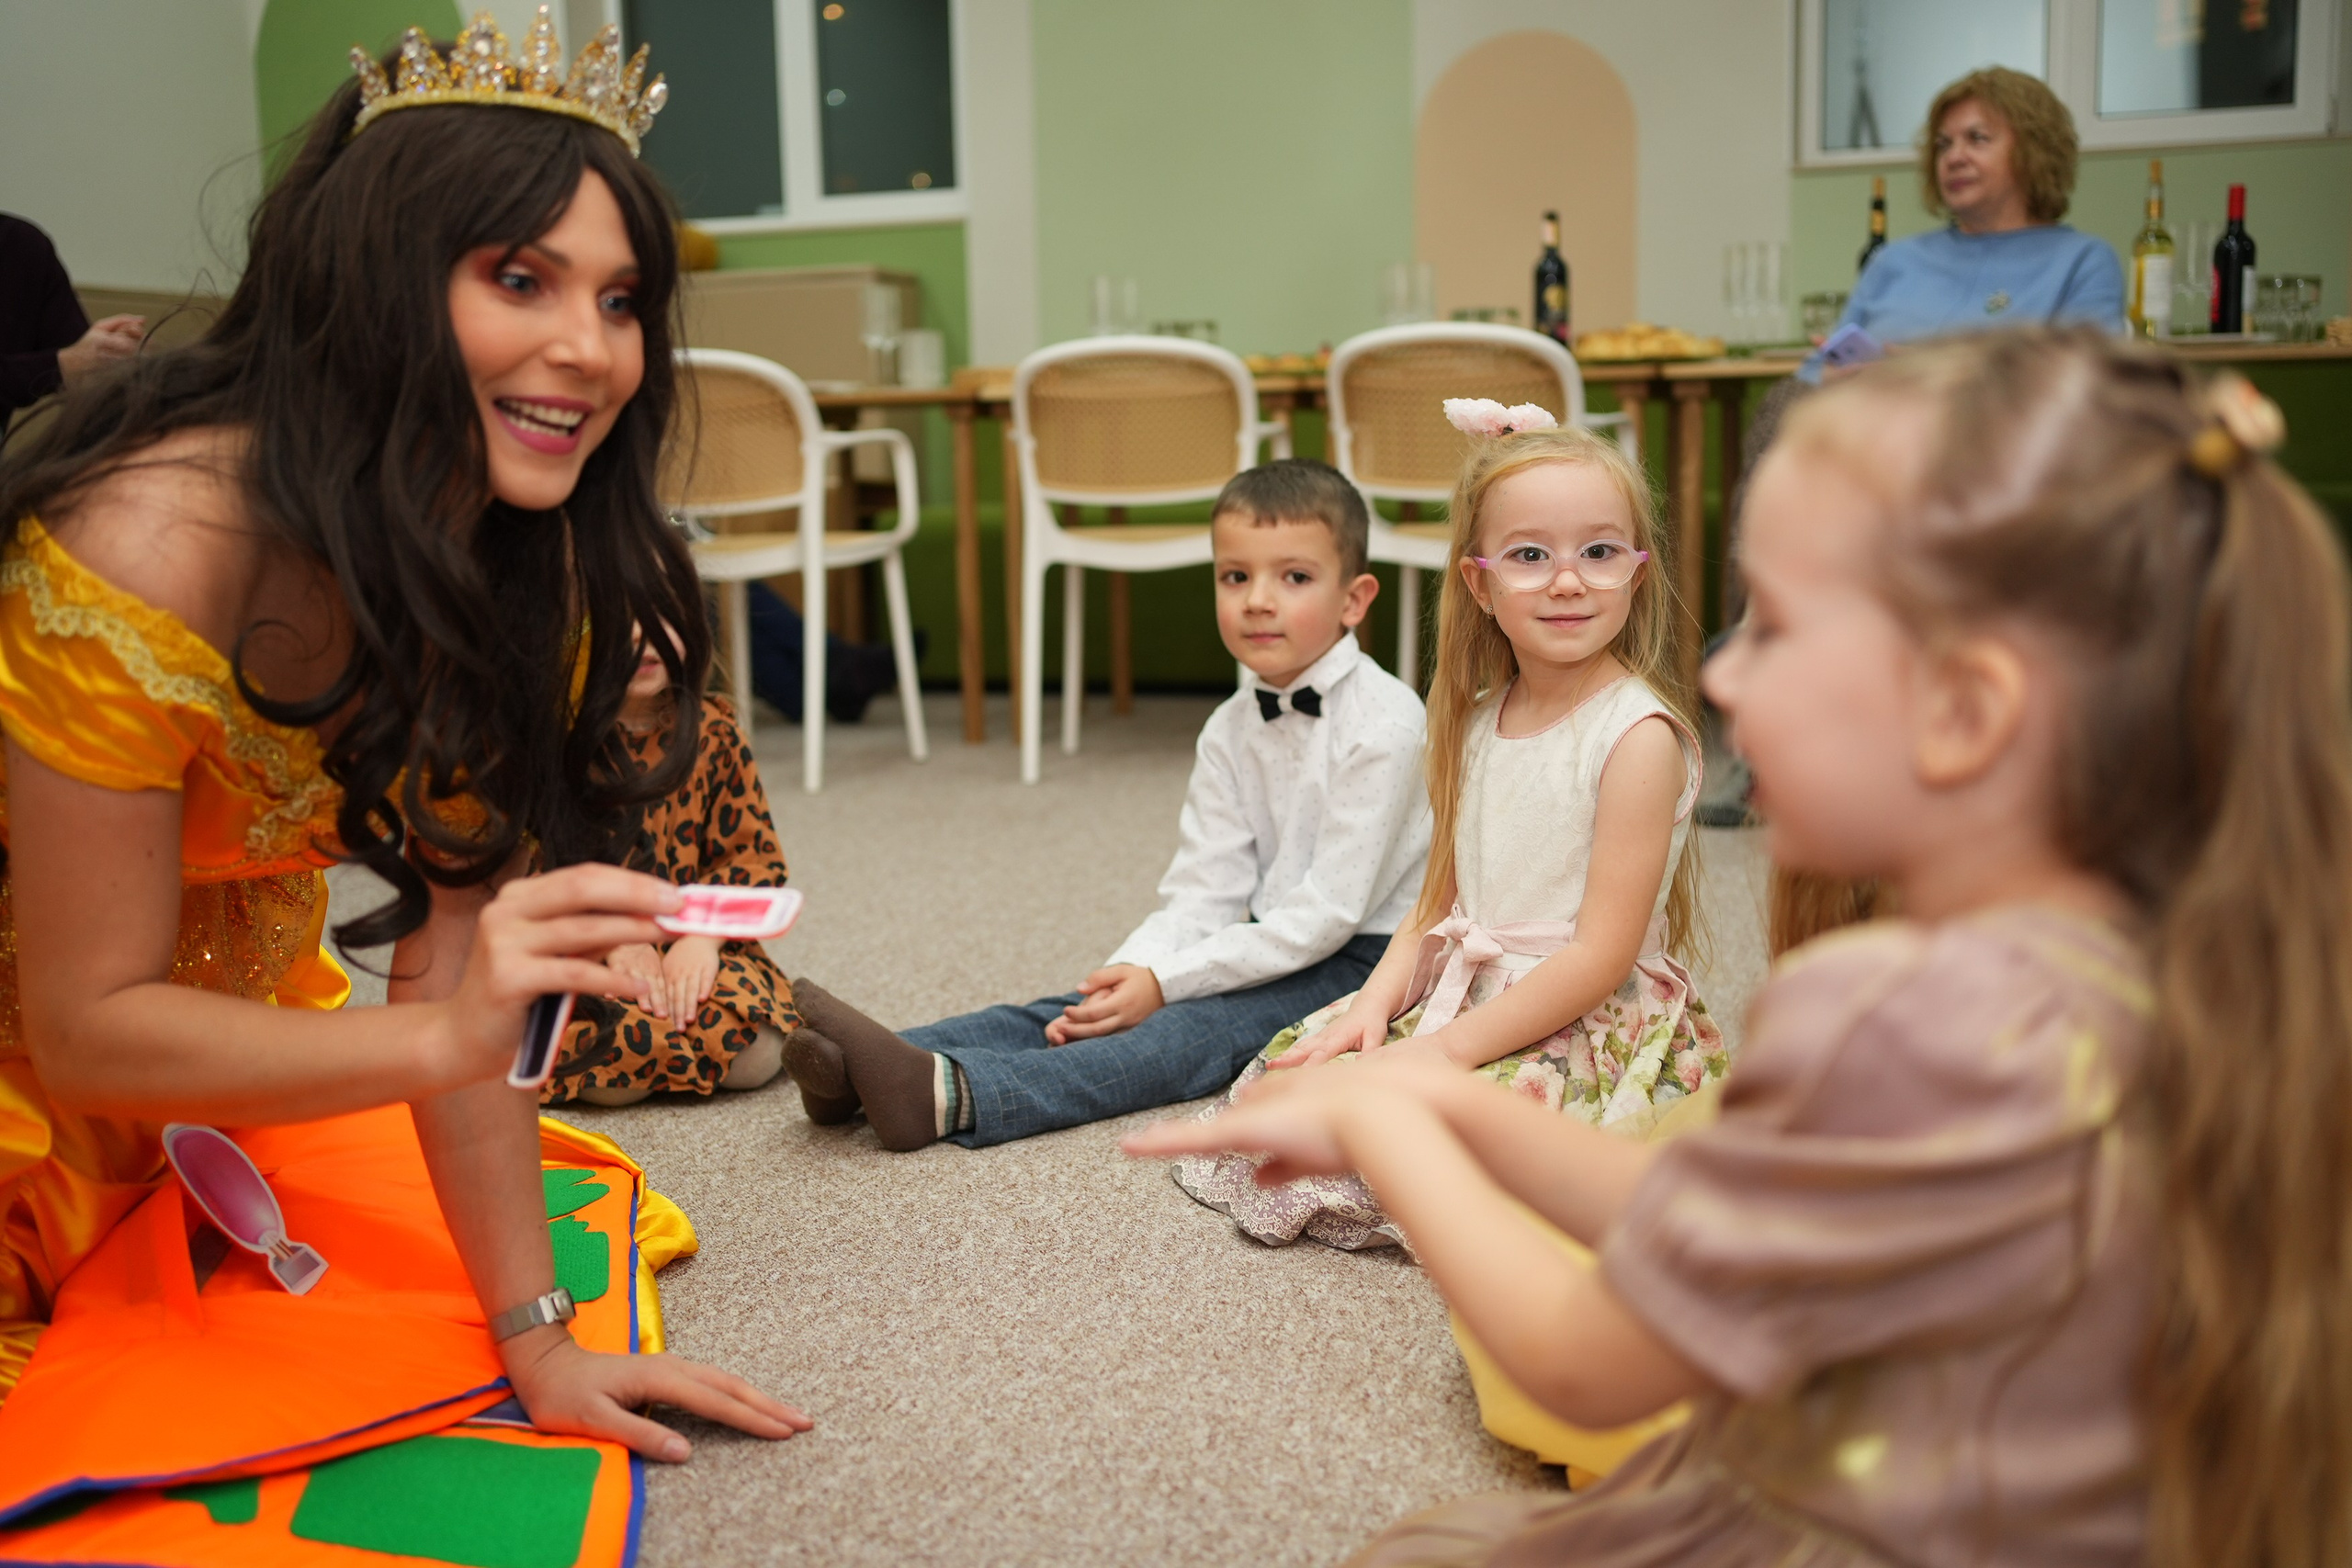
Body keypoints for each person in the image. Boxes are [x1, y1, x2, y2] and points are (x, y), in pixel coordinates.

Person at [1128, 330, 2352, 1566]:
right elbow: (1732, 1211)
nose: (1719, 667)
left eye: (1774, 625)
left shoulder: (1882, 1012)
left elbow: (1580, 1352)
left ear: (1966, 706)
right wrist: (1452, 1101)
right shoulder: (2124, 976)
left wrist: (1395, 1119)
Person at [0, 16, 804, 1458]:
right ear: (374, 277)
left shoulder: (511, 555)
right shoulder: (143, 543)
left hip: (214, 1015)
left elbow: (455, 942)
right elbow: (80, 1025)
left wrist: (537, 1336)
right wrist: (440, 1033)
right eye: (519, 278)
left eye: (622, 300)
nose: (590, 349)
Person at [1171, 405, 1724, 1252]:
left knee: (1413, 1144)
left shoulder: (1637, 738)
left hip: (1575, 1014)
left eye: (1600, 552)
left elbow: (1598, 956)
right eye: (1530, 555)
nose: (1568, 580)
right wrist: (1376, 1005)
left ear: (1638, 573)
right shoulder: (1469, 722)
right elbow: (1439, 902)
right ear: (1479, 582)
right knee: (1286, 1091)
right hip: (1466, 992)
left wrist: (1441, 1053)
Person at [782, 458, 1431, 1151]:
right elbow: (1204, 890)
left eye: (1294, 577)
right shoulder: (1230, 726)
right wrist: (1133, 972)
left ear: (1355, 599)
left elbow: (1324, 917)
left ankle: (949, 1095)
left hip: (1364, 960)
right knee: (1081, 1009)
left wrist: (1165, 984)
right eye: (1235, 575)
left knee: (1189, 1035)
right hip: (1273, 933)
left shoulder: (1385, 723)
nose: (1257, 600)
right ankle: (866, 1065)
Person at [546, 624, 799, 1105]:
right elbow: (540, 871)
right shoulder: (560, 743)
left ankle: (667, 1044)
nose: (642, 637)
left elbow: (753, 861)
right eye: (622, 618)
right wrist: (617, 940)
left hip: (699, 940)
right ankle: (655, 1051)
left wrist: (701, 941)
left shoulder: (716, 734)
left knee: (758, 1054)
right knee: (608, 1060)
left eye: (662, 613)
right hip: (591, 950)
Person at [1803, 67, 2122, 384]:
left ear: (2033, 152)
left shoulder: (2082, 262)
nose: (1954, 158)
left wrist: (1939, 379)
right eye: (1943, 145)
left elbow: (2092, 387)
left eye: (1976, 139)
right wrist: (1831, 378)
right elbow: (1811, 374)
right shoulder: (1892, 261)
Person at [0, 214, 142, 422]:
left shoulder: (19, 243)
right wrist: (61, 365)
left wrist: (113, 349)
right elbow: (70, 362)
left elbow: (79, 355)